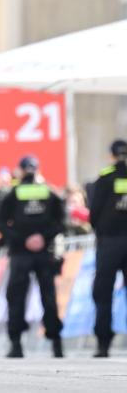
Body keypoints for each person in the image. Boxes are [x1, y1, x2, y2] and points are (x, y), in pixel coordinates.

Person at [0, 156, 65, 358]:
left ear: (20, 170)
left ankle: (16, 344)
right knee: (49, 298)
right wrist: (43, 238)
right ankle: (56, 344)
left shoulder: (11, 193)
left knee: (16, 298)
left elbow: (0, 224)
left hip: (20, 253)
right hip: (45, 253)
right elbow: (62, 221)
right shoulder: (51, 192)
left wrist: (23, 240)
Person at [90, 139, 127, 358]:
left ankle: (103, 344)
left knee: (103, 293)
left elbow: (94, 212)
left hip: (110, 242)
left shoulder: (105, 178)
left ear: (111, 155)